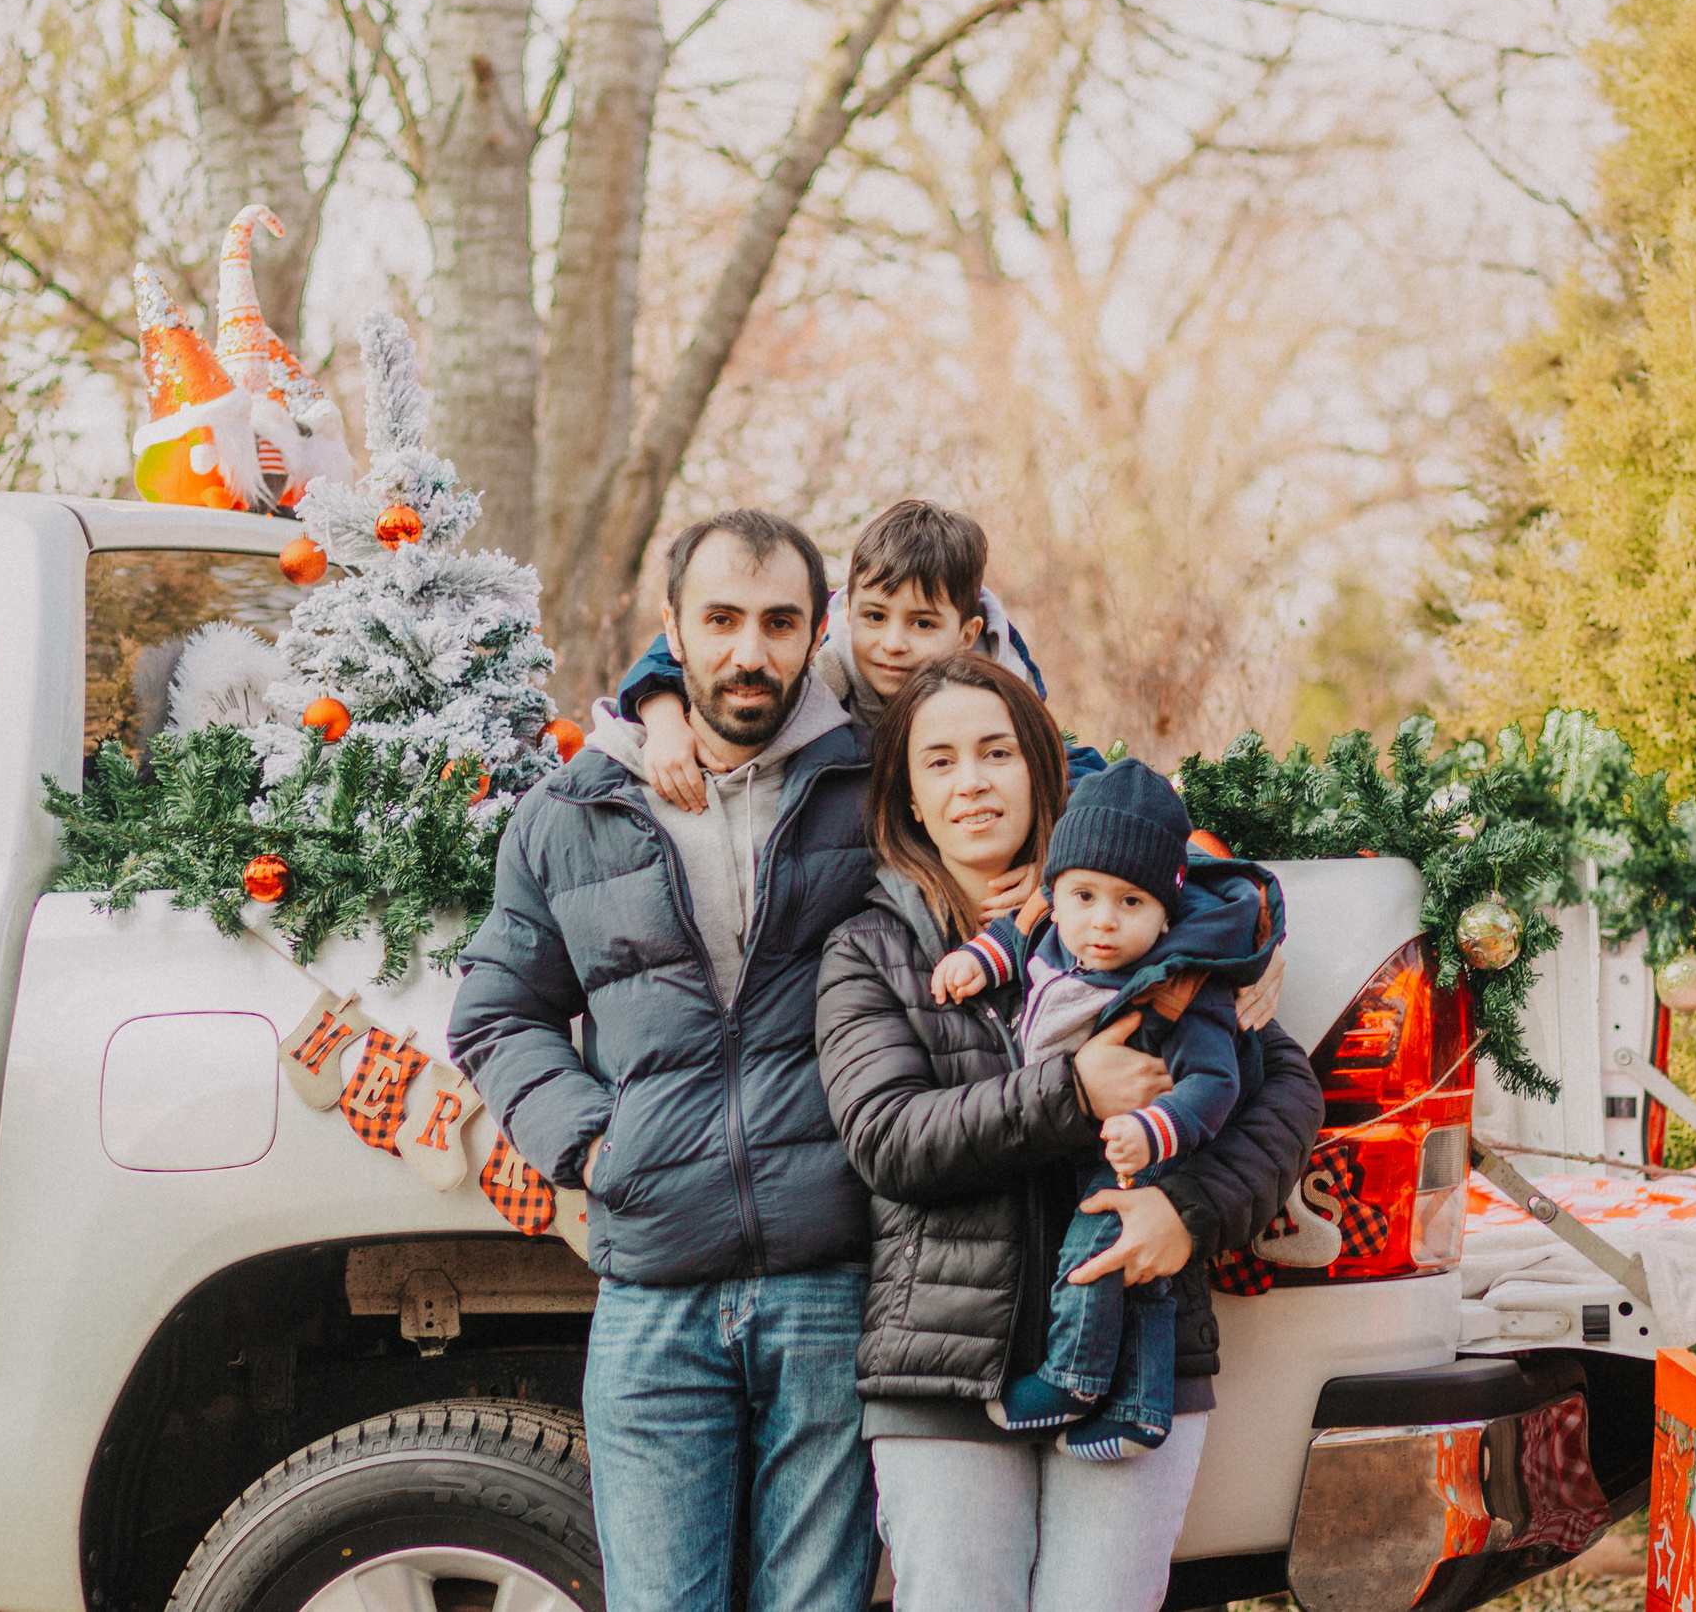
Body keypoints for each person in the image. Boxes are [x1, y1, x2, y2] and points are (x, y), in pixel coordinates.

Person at [815, 653, 1322, 1612]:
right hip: (947, 1365)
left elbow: (1285, 1091)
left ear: (1042, 769)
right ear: (911, 798)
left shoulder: (1149, 925)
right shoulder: (871, 948)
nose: (972, 781)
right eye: (941, 762)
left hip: (1138, 1351)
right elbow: (888, 1137)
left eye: (998, 752)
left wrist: (1190, 1209)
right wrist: (1073, 1092)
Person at [449, 510, 886, 1612]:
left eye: (781, 623)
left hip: (830, 1279)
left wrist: (1235, 900)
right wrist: (595, 1147)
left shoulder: (879, 787)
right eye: (723, 621)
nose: (752, 652)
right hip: (651, 1285)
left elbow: (1045, 793)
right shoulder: (572, 810)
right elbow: (497, 1012)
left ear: (816, 630)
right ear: (671, 634)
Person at [934, 759, 1275, 1460]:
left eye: (1130, 904)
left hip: (1146, 1144)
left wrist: (1156, 1128)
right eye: (1085, 895)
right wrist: (980, 956)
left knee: (1101, 1250)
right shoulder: (1054, 931)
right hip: (1070, 1134)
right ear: (1055, 892)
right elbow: (1022, 939)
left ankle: (1075, 1377)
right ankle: (1142, 1408)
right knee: (1139, 1279)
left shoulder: (1183, 985)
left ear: (1165, 912)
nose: (1102, 922)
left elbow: (1215, 1081)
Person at [616, 498, 1099, 816]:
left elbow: (1067, 769)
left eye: (923, 624)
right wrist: (662, 719)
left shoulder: (999, 694)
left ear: (966, 633)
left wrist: (1053, 863)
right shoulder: (821, 642)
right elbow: (692, 640)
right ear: (844, 609)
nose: (892, 643)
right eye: (874, 617)